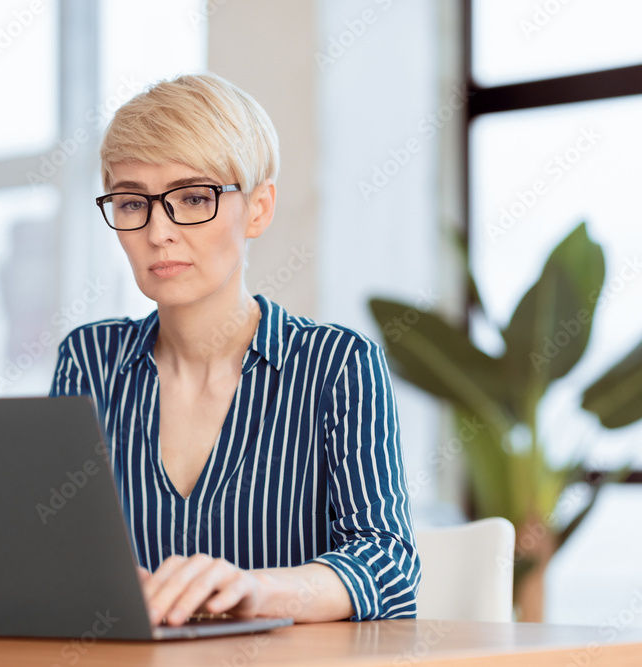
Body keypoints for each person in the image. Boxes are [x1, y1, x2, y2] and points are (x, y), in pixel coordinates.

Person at [49, 72, 419, 626]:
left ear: (258, 209)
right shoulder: (90, 362)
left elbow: (387, 565)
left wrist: (256, 591)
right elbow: (52, 550)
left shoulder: (336, 366)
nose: (158, 232)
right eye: (131, 204)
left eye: (193, 197)